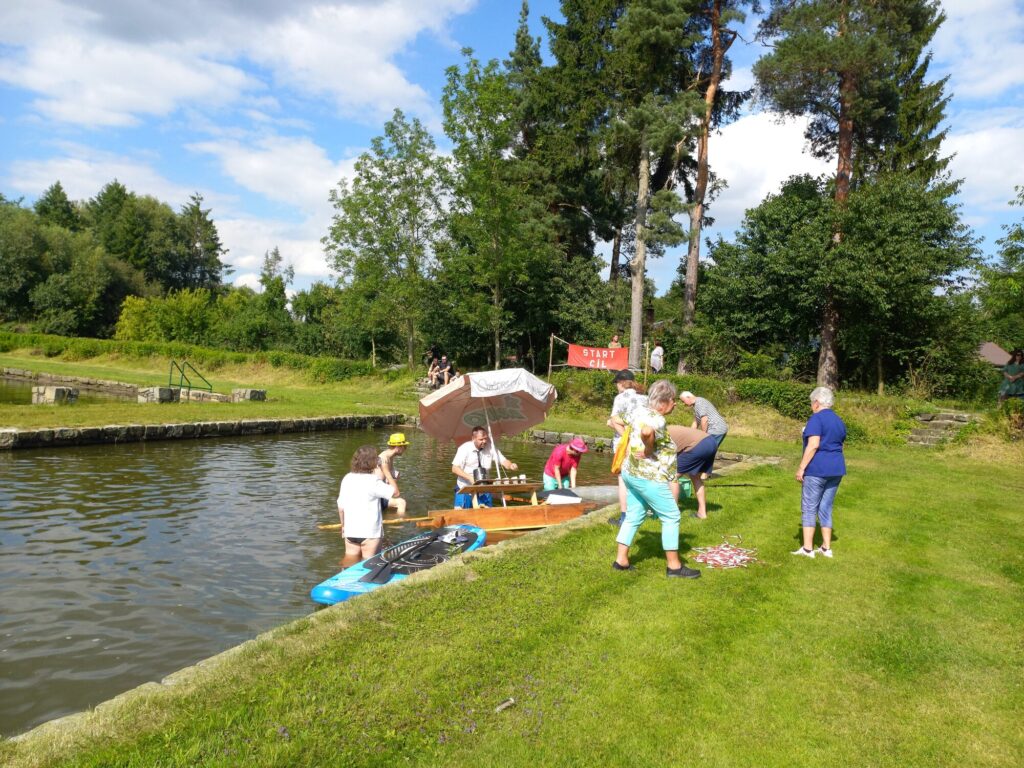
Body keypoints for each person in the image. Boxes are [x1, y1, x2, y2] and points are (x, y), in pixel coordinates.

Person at [613, 379, 701, 579]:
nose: (675, 403)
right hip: (649, 477)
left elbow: (614, 420)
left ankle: (621, 561)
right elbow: (647, 432)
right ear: (662, 402)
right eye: (672, 400)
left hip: (631, 472)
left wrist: (631, 442)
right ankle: (674, 567)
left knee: (634, 515)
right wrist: (647, 448)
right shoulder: (657, 420)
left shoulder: (638, 411)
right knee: (671, 516)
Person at [793, 386, 847, 559]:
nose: (811, 406)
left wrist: (801, 468)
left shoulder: (816, 419)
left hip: (817, 469)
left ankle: (808, 549)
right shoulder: (839, 421)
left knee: (809, 507)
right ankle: (826, 548)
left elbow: (814, 444)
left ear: (816, 402)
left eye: (811, 403)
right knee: (826, 507)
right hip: (836, 469)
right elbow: (840, 445)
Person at [337, 445, 398, 561]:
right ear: (372, 462)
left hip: (350, 531)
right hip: (370, 533)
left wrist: (343, 525)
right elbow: (395, 493)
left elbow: (341, 507)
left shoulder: (347, 478)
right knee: (369, 564)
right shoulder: (373, 481)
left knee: (349, 563)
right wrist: (386, 470)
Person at [607, 369, 648, 524]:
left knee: (623, 479)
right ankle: (641, 512)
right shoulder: (644, 397)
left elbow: (615, 420)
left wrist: (626, 437)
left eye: (616, 383)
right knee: (639, 476)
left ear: (621, 383)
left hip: (624, 443)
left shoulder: (620, 398)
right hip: (643, 441)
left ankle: (624, 517)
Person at [451, 426, 519, 508]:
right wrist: (470, 478)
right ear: (473, 438)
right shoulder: (464, 448)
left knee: (487, 514)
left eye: (485, 438)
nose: (484, 441)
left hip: (484, 490)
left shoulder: (490, 448)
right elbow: (454, 468)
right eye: (481, 439)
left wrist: (511, 465)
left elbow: (503, 461)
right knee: (462, 515)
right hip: (465, 489)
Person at [667, 425, 720, 520]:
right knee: (695, 477)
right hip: (711, 442)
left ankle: (671, 514)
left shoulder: (658, 435)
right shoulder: (665, 429)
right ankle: (702, 513)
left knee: (672, 477)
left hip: (698, 445)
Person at [679, 390, 729, 479]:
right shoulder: (696, 405)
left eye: (683, 401)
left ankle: (705, 474)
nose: (684, 404)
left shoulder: (700, 403)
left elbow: (704, 420)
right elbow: (696, 421)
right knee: (707, 451)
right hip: (715, 429)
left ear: (688, 397)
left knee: (706, 451)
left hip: (717, 429)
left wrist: (703, 436)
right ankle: (702, 472)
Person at [377, 433, 409, 517]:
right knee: (402, 503)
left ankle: (390, 518)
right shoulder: (384, 459)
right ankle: (398, 522)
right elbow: (396, 491)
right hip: (375, 498)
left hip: (379, 494)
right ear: (398, 447)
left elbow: (390, 480)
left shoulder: (388, 456)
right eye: (405, 446)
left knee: (399, 501)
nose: (405, 449)